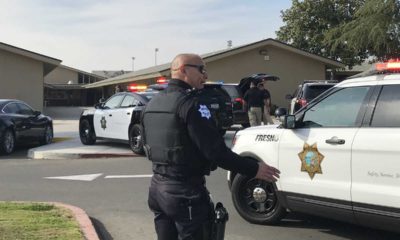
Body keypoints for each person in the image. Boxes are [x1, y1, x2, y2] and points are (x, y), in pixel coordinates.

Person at [142, 53, 280, 240]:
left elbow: (146, 145)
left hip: (157, 189)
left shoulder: (152, 103)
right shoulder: (190, 104)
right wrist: (254, 168)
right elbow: (215, 151)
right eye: (201, 69)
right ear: (183, 70)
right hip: (184, 192)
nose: (205, 76)